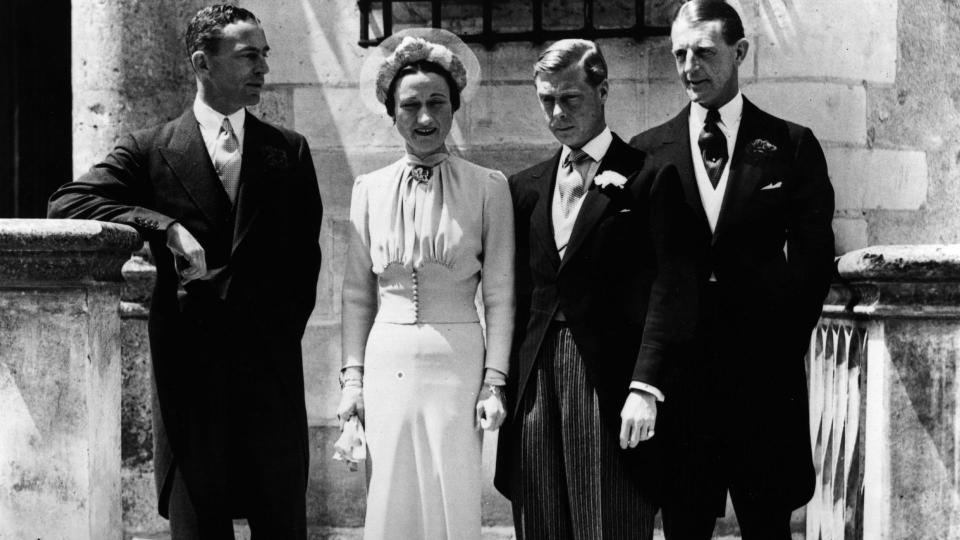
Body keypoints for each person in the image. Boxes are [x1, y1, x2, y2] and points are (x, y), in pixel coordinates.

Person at [47, 5, 322, 538]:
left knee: (281, 524)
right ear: (202, 62)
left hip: (271, 378)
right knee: (199, 527)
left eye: (264, 54)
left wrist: (278, 333)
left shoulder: (288, 150)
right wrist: (164, 226)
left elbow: (304, 261)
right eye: (247, 56)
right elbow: (68, 201)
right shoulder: (151, 148)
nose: (262, 67)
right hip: (191, 379)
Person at [629, 1, 836, 538]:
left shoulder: (791, 146)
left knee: (768, 523)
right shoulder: (647, 154)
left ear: (740, 52)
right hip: (682, 387)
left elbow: (813, 264)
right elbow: (638, 273)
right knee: (684, 523)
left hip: (763, 381)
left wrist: (779, 344)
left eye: (704, 52)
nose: (688, 67)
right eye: (679, 53)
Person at [493, 39, 696, 540]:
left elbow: (671, 288)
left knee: (608, 521)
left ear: (602, 91)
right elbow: (512, 294)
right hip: (536, 376)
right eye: (546, 100)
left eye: (571, 99)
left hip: (610, 380)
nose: (557, 113)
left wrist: (645, 386)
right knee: (540, 522)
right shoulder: (526, 187)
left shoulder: (649, 175)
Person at [337, 29, 514, 540]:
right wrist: (352, 380)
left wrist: (494, 378)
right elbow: (355, 294)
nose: (425, 119)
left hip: (458, 358)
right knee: (390, 488)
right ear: (392, 112)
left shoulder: (488, 187)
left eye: (437, 103)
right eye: (410, 105)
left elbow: (500, 294)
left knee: (450, 487)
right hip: (386, 358)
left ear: (455, 107)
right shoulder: (367, 190)